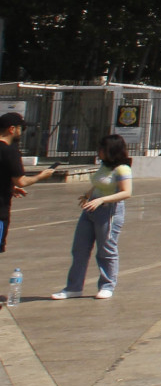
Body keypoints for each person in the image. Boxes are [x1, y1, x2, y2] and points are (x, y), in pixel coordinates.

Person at [52, 137, 134, 300]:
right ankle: (73, 287)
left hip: (108, 212)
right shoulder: (104, 166)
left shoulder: (122, 169)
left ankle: (107, 285)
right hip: (90, 210)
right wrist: (88, 194)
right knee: (79, 249)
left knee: (106, 249)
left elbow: (127, 192)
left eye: (102, 149)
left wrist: (102, 199)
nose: (99, 152)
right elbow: (100, 183)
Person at [0, 112, 56, 256]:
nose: (22, 133)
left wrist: (9, 187)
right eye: (21, 129)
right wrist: (41, 176)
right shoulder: (10, 151)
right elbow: (22, 181)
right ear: (12, 129)